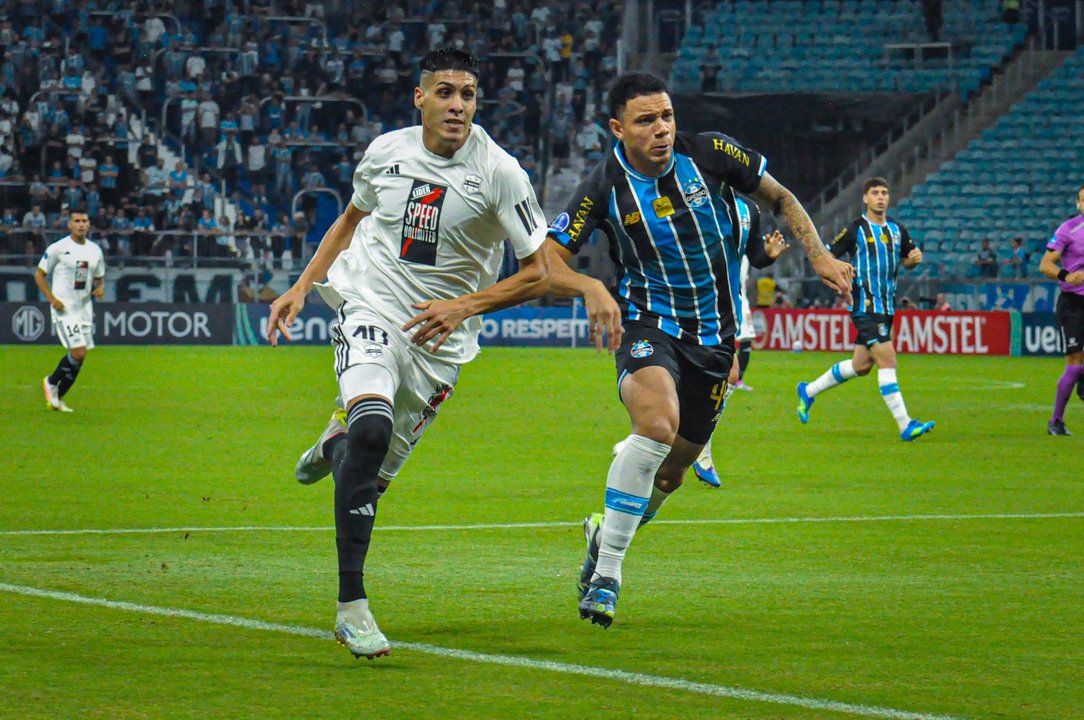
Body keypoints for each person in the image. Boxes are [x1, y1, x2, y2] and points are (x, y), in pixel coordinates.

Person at [266, 49, 550, 660]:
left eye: (467, 94)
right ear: (420, 97)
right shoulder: (385, 152)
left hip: (439, 345)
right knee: (371, 429)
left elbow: (539, 273)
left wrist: (463, 306)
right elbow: (350, 220)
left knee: (369, 477)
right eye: (445, 92)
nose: (457, 105)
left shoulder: (501, 173)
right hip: (370, 307)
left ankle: (335, 447)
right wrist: (301, 287)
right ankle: (352, 607)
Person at [543, 72, 853, 628]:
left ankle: (603, 535)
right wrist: (589, 287)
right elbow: (548, 260)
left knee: (671, 475)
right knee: (656, 426)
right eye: (645, 121)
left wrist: (820, 255)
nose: (661, 129)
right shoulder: (601, 187)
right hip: (648, 324)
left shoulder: (710, 153)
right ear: (618, 128)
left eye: (666, 116)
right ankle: (608, 575)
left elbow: (781, 197)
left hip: (715, 341)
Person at [796, 177, 934, 441]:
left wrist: (914, 260)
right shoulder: (855, 230)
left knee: (860, 366)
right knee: (888, 360)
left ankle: (808, 391)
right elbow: (827, 255)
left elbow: (907, 260)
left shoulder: (898, 230)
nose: (880, 197)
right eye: (875, 193)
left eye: (884, 193)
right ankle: (905, 425)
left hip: (887, 306)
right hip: (865, 305)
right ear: (865, 198)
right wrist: (840, 273)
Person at [692, 196, 789, 488]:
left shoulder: (748, 209)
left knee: (729, 374)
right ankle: (651, 440)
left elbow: (755, 256)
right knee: (682, 377)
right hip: (692, 301)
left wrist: (768, 255)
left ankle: (695, 446)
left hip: (728, 304)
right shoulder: (694, 197)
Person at [34, 210, 105, 413]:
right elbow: (39, 275)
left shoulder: (94, 250)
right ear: (69, 225)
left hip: (84, 307)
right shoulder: (58, 248)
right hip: (64, 307)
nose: (81, 224)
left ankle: (58, 397)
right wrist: (52, 299)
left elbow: (99, 277)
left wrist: (100, 288)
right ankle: (51, 382)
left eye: (84, 221)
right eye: (77, 221)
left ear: (89, 224)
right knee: (78, 351)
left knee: (80, 356)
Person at [1038, 184, 1084, 435]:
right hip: (1074, 304)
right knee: (1074, 362)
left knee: (1078, 367)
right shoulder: (1068, 230)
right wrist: (1066, 275)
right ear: (1078, 204)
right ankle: (1056, 421)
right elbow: (1045, 264)